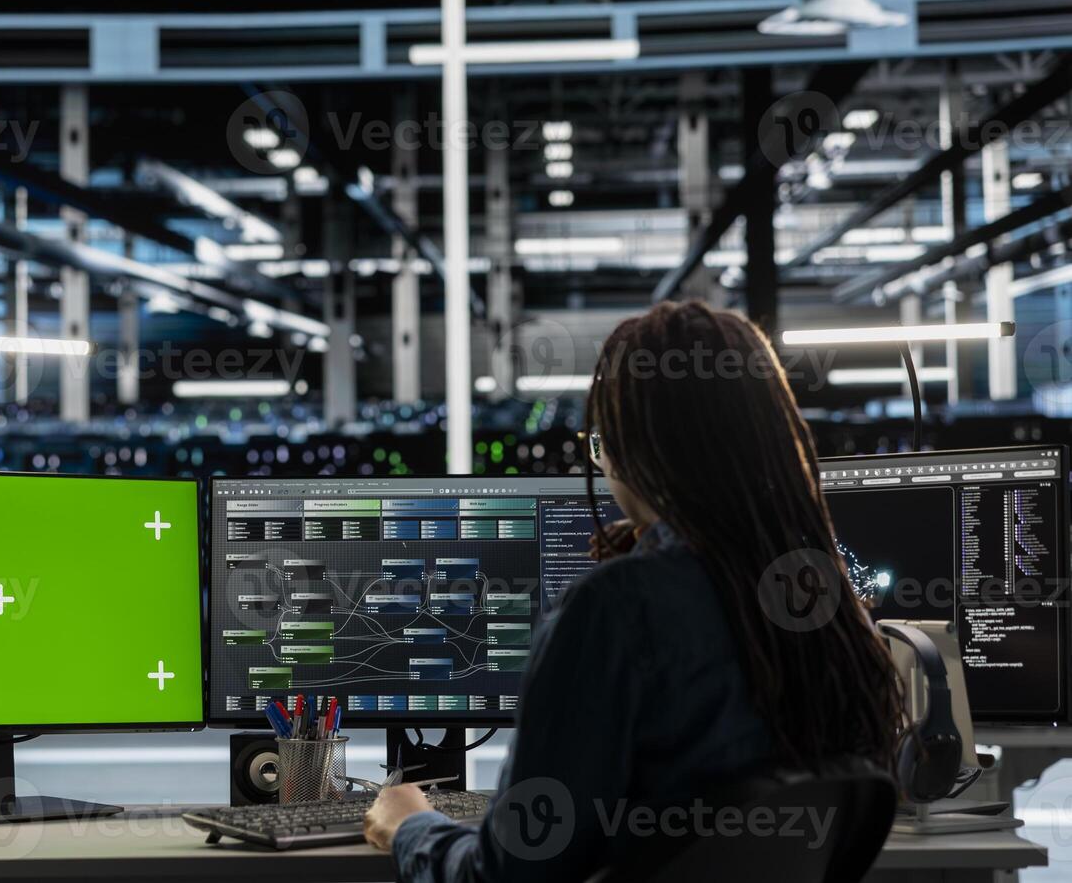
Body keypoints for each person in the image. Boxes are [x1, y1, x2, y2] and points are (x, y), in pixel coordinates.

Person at [363, 301, 903, 881]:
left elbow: (510, 874)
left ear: (627, 450)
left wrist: (411, 825)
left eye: (601, 443)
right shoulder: (827, 605)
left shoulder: (617, 607)